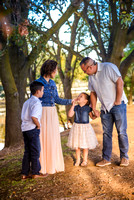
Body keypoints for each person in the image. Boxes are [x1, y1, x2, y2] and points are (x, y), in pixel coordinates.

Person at [80, 57, 129, 167]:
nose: (84, 73)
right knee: (106, 133)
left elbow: (120, 82)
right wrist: (94, 109)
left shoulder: (108, 67)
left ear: (90, 67)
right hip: (105, 108)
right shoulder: (91, 77)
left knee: (121, 131)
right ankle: (106, 158)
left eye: (85, 70)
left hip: (118, 105)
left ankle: (124, 157)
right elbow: (93, 93)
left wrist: (117, 101)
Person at [36, 60, 74, 174]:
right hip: (41, 112)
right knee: (42, 138)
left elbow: (57, 99)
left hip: (52, 113)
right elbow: (34, 100)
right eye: (56, 69)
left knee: (52, 137)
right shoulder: (37, 82)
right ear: (50, 69)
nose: (56, 72)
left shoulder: (52, 83)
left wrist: (71, 101)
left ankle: (53, 165)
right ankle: (42, 166)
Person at [21, 81, 47, 179]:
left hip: (25, 129)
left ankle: (24, 173)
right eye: (42, 91)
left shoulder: (26, 102)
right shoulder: (36, 102)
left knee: (27, 151)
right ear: (37, 91)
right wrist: (38, 126)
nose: (43, 93)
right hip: (32, 129)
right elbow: (34, 117)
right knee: (35, 151)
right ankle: (36, 172)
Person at [67, 92, 98, 167]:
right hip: (77, 127)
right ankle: (78, 160)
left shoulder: (88, 108)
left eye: (81, 96)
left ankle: (85, 160)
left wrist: (96, 114)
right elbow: (70, 115)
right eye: (78, 96)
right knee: (77, 145)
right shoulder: (76, 107)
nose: (78, 97)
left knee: (85, 145)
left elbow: (92, 117)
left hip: (85, 128)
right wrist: (73, 105)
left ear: (86, 101)